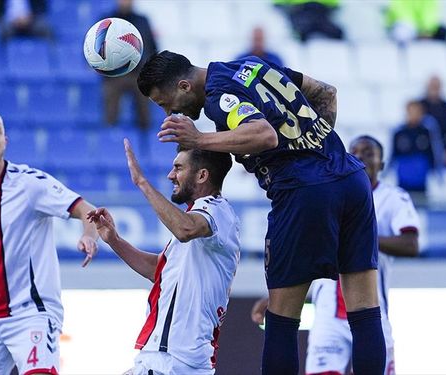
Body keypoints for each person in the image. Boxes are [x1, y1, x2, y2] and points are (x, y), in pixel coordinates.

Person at [137, 51, 385, 374]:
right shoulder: (251, 65)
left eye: (165, 103)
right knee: (365, 310)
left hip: (301, 191)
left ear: (184, 86)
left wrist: (199, 138)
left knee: (281, 319)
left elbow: (265, 135)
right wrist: (314, 152)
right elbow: (326, 92)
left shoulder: (218, 97)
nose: (170, 112)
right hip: (351, 178)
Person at [0, 108, 98, 375]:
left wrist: (88, 235)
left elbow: (87, 210)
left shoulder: (30, 185)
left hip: (32, 312)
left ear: (5, 142)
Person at [252, 135, 420, 375]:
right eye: (355, 151)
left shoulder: (394, 198)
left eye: (369, 152)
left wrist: (360, 236)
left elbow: (411, 243)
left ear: (382, 164)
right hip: (327, 312)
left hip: (371, 308)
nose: (361, 156)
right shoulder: (325, 191)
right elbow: (314, 257)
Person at [87, 140, 239, 374]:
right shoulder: (195, 219)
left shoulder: (218, 211)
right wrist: (115, 241)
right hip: (157, 357)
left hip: (180, 362)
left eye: (178, 168)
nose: (170, 175)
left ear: (202, 176)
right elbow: (159, 271)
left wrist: (141, 182)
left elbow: (185, 230)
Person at [102, 0, 159, 130]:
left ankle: (145, 137)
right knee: (110, 111)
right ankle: (110, 138)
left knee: (144, 112)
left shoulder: (143, 20)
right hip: (114, 75)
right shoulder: (106, 20)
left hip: (139, 74)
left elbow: (153, 46)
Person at [390, 100, 444, 200]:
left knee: (421, 205)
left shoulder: (426, 132)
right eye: (411, 112)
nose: (414, 115)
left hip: (421, 178)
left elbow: (433, 154)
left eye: (417, 112)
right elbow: (393, 154)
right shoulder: (399, 133)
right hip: (403, 178)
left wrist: (437, 172)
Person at [420, 75, 446, 169]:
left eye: (437, 86)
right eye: (432, 86)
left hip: (442, 145)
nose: (434, 89)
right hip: (423, 145)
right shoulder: (420, 105)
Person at [274, 0, 344, 42]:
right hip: (300, 10)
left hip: (320, 11)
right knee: (303, 29)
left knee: (337, 32)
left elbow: (334, 4)